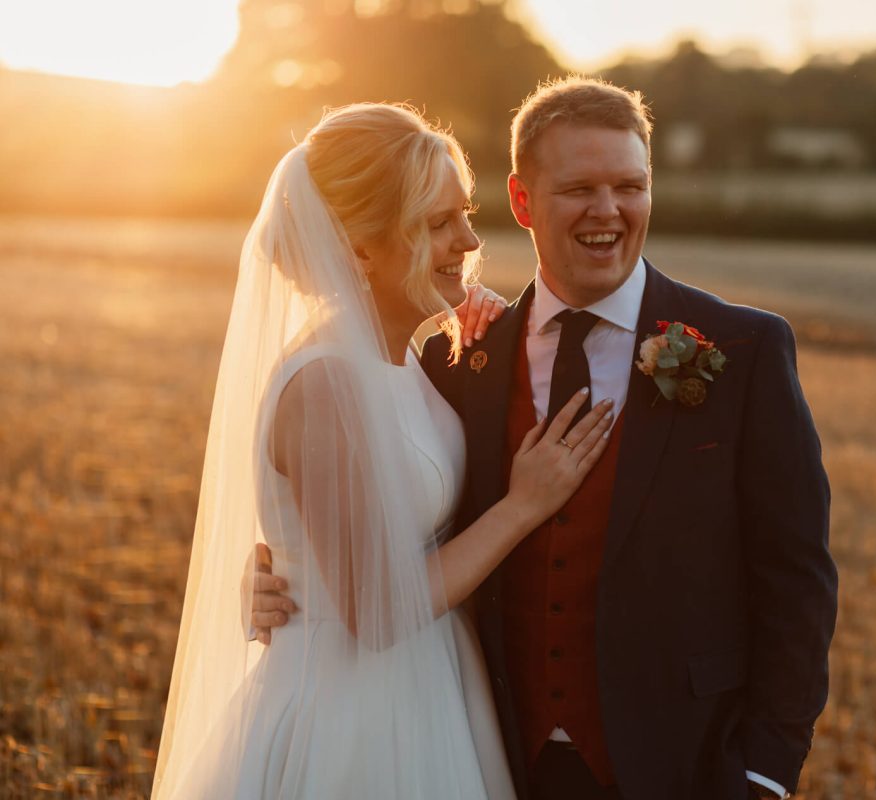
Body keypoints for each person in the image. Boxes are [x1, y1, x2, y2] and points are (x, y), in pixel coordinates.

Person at [256, 77, 838, 800]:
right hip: (493, 753)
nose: (609, 210)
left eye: (631, 185)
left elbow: (797, 582)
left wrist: (764, 773)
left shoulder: (743, 350)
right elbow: (355, 530)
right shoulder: (453, 360)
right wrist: (279, 584)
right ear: (525, 202)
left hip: (685, 769)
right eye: (580, 188)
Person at [152, 102, 615, 800]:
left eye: (464, 213)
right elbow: (373, 612)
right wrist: (524, 506)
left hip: (433, 686)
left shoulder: (405, 358)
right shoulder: (325, 382)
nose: (468, 239)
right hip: (351, 714)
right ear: (360, 247)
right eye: (436, 224)